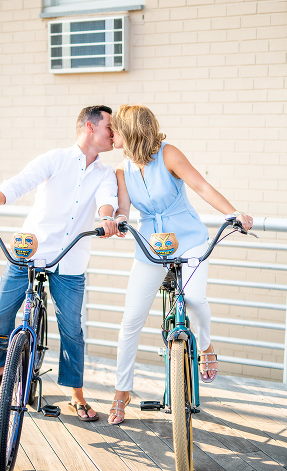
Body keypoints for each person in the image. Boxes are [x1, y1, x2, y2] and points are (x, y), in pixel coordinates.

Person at [0, 105, 119, 422]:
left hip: (71, 259)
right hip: (30, 250)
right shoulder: (55, 159)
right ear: (90, 127)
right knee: (2, 312)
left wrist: (107, 220)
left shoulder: (105, 174)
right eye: (109, 127)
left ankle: (76, 395)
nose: (114, 133)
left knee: (72, 330)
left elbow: (107, 202)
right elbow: (18, 184)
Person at [106, 104, 254, 425]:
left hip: (189, 239)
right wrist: (117, 221)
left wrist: (234, 213)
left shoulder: (168, 153)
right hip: (151, 245)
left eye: (115, 129)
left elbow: (201, 186)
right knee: (131, 318)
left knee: (195, 298)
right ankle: (122, 391)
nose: (111, 135)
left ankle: (205, 343)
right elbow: (124, 209)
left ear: (129, 130)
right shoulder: (122, 170)